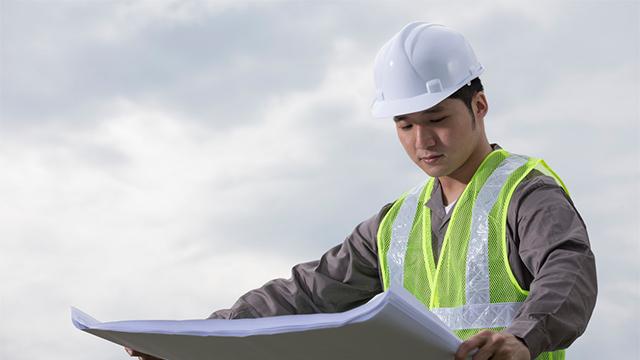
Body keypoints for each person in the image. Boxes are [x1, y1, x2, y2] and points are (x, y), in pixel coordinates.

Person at [127, 22, 597, 360]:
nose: (422, 141)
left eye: (437, 120)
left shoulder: (525, 193)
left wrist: (524, 338)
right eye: (405, 124)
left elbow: (568, 267)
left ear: (479, 106)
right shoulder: (396, 224)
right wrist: (190, 338)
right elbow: (305, 293)